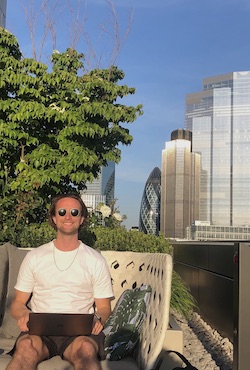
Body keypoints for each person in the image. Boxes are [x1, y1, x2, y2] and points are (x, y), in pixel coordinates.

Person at [7, 193, 113, 370]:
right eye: (62, 212)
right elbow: (17, 304)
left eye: (74, 212)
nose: (68, 217)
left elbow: (104, 308)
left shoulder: (95, 260)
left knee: (86, 349)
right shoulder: (34, 257)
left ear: (82, 219)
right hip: (40, 333)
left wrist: (98, 318)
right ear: (54, 218)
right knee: (26, 347)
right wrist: (23, 314)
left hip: (80, 334)